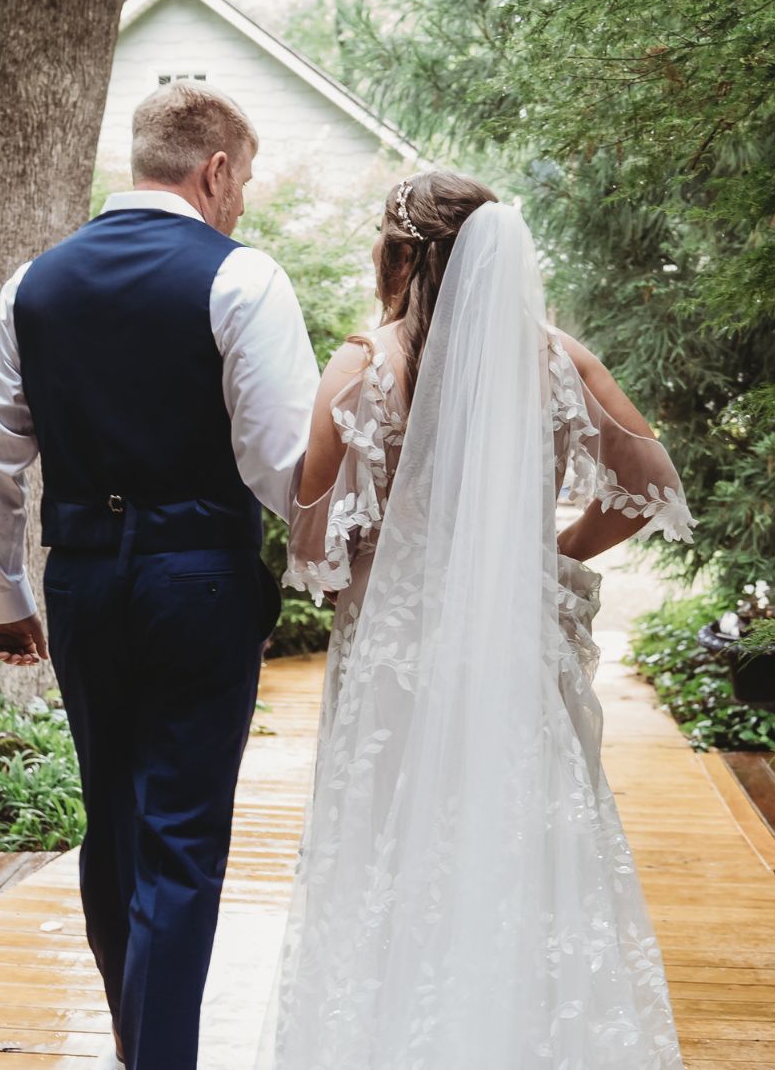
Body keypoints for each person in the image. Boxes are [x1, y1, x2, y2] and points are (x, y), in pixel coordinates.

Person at [259, 171, 694, 1067]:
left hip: (393, 648)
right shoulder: (554, 359)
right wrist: (551, 552)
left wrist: (377, 552)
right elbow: (651, 487)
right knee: (519, 841)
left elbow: (309, 542)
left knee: (388, 849)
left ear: (400, 257)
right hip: (514, 643)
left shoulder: (361, 367)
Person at [0, 81, 319, 1070]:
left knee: (114, 831)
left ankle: (138, 1052)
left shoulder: (31, 285)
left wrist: (5, 596)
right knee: (180, 843)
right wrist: (344, 563)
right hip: (199, 585)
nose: (240, 201)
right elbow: (282, 468)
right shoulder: (243, 280)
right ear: (212, 170)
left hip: (79, 586)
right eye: (241, 179)